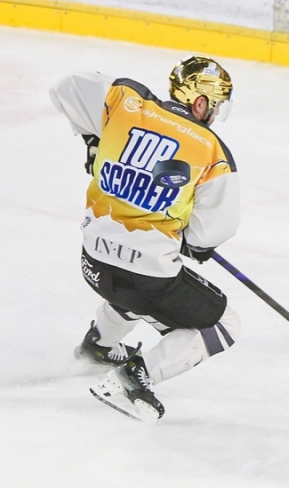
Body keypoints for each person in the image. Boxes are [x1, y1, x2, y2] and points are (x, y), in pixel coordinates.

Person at [50, 54, 242, 420]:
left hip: (93, 265)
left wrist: (94, 140)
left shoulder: (127, 100)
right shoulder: (213, 151)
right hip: (145, 278)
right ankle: (135, 378)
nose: (215, 115)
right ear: (200, 102)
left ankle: (99, 344)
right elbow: (208, 234)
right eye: (215, 106)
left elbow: (67, 85)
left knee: (133, 288)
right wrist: (193, 240)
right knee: (223, 323)